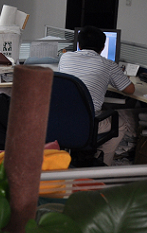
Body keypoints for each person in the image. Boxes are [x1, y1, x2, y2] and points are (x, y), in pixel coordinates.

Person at [58, 25, 135, 165]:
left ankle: (87, 156)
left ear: (79, 45)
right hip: (87, 124)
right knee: (121, 124)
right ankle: (103, 164)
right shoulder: (108, 65)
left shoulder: (65, 57)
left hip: (60, 120)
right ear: (103, 47)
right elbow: (130, 90)